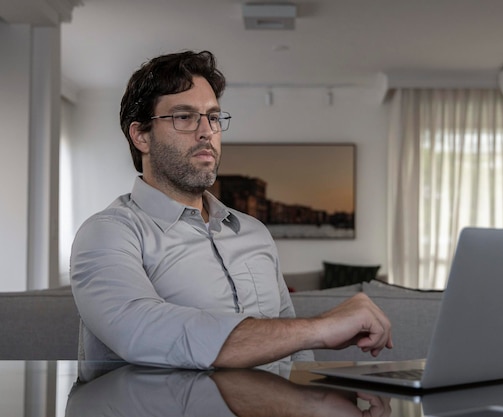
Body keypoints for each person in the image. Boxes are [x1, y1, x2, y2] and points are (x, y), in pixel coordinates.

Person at [70, 50, 393, 369]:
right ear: (141, 135)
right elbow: (143, 332)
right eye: (184, 117)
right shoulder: (108, 234)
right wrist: (319, 328)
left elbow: (296, 358)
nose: (206, 131)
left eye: (213, 117)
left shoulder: (255, 233)